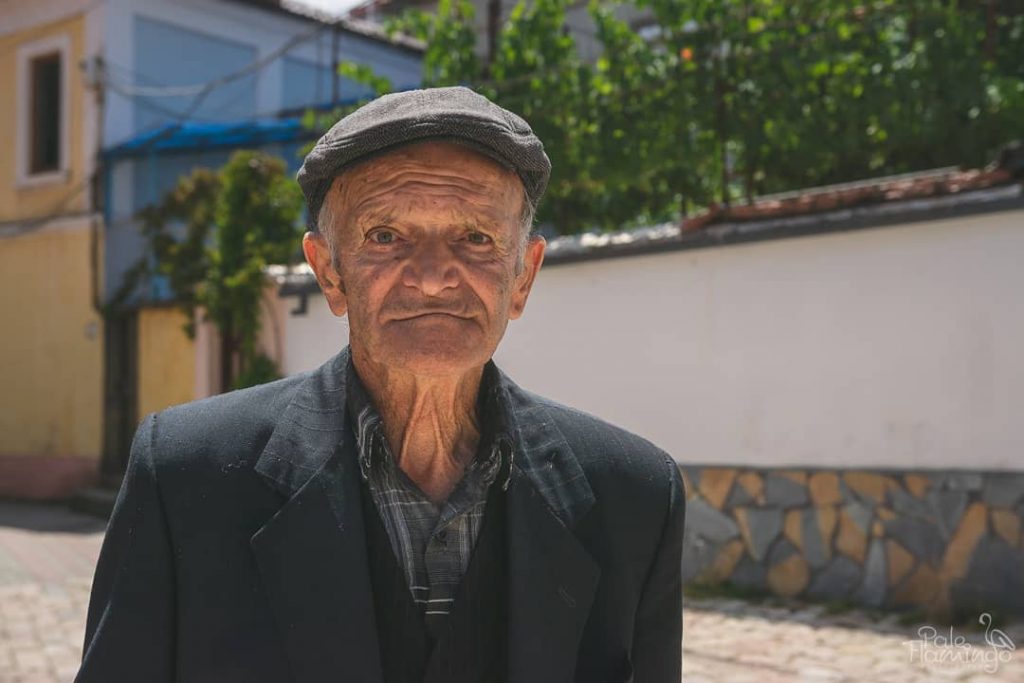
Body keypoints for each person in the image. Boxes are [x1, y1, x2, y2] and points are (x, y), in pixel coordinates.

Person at [76, 86, 686, 683]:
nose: (432, 277)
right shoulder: (186, 476)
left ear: (522, 276)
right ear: (329, 273)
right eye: (386, 237)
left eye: (475, 237)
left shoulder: (634, 498)